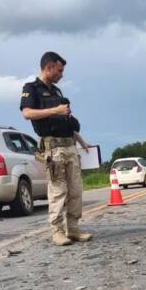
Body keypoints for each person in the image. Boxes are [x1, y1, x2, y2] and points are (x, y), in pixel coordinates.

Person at [20, 51, 92, 246]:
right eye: (59, 70)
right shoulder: (31, 88)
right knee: (58, 191)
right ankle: (58, 232)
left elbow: (65, 119)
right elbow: (27, 113)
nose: (62, 74)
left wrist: (81, 141)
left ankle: (73, 229)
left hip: (69, 146)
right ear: (49, 67)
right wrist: (55, 110)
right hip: (53, 149)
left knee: (75, 190)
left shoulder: (58, 92)